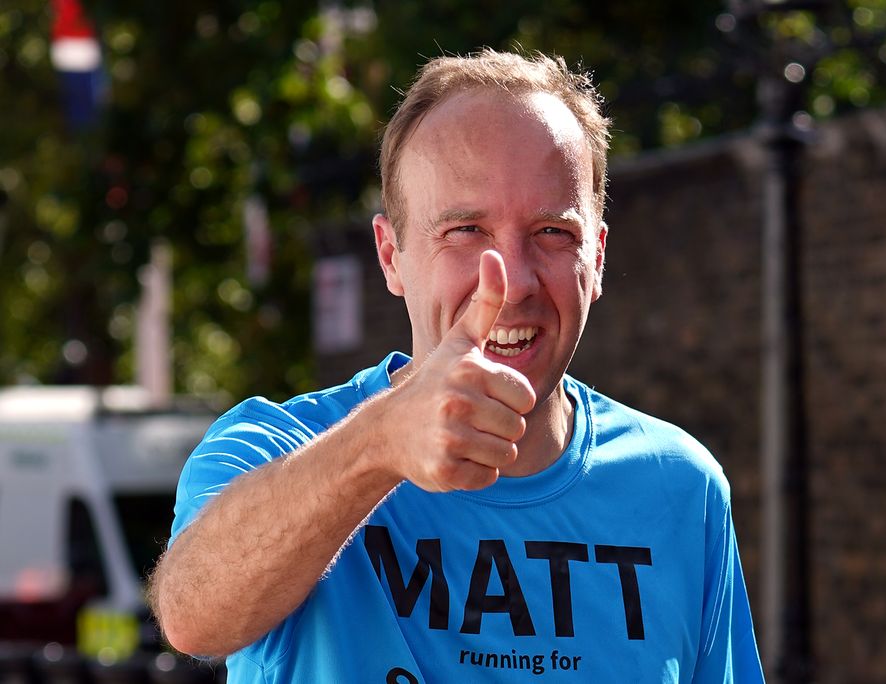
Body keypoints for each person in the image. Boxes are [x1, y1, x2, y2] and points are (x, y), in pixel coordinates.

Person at [150, 49, 765, 683]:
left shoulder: (677, 486)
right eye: (466, 230)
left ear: (598, 257)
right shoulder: (279, 447)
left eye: (553, 232)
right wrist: (377, 445)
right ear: (391, 256)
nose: (513, 280)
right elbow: (191, 617)